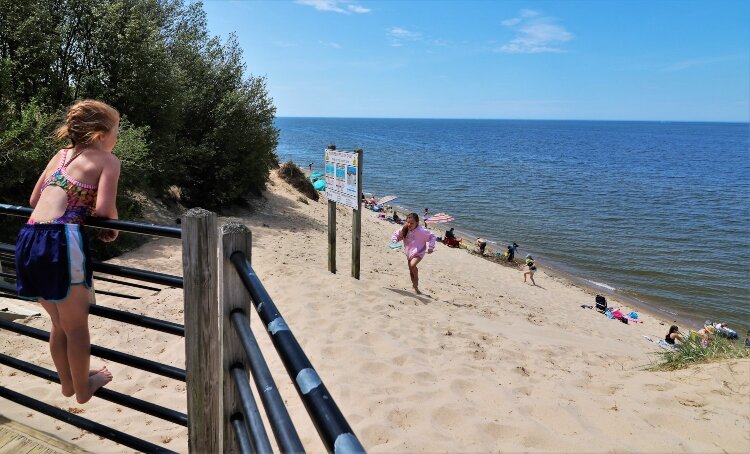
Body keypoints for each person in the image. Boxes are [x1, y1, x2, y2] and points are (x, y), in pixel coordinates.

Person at [15, 100, 121, 404]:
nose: (116, 138)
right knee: (77, 328)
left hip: (30, 238)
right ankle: (84, 389)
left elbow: (35, 198)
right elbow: (103, 209)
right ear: (101, 134)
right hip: (61, 241)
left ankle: (68, 383)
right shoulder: (107, 160)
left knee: (59, 324)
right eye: (116, 131)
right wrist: (111, 226)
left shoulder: (59, 156)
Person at [392, 213, 436, 294]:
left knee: (412, 265)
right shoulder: (405, 228)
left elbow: (432, 236)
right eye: (408, 222)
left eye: (412, 223)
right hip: (409, 253)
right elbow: (397, 235)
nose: (409, 224)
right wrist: (395, 240)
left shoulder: (421, 231)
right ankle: (415, 287)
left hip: (419, 252)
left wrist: (431, 247)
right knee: (411, 270)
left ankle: (416, 278)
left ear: (417, 223)